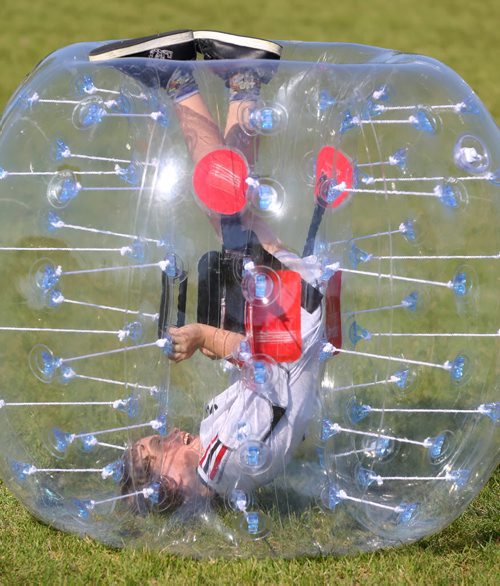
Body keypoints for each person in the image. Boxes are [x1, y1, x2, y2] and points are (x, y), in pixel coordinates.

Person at [93, 30, 328, 512]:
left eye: (154, 439)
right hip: (290, 317)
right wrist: (204, 335)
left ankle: (243, 80)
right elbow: (261, 369)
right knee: (220, 199)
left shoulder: (215, 454)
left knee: (231, 206)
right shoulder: (224, 462)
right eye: (159, 450)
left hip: (288, 318)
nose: (167, 436)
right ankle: (181, 76)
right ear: (171, 485)